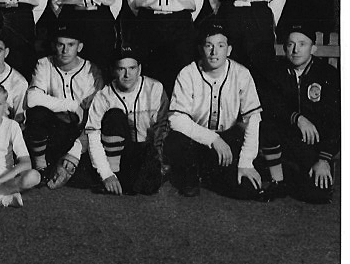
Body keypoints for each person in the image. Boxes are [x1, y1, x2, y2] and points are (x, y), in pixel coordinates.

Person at [163, 23, 262, 199]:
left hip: (227, 137)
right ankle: (192, 176)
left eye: (220, 46)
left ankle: (212, 174)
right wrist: (213, 139)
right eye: (209, 45)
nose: (214, 52)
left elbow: (253, 118)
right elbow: (176, 119)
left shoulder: (241, 73)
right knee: (176, 139)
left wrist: (246, 162)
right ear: (201, 48)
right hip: (196, 140)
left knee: (245, 189)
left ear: (229, 49)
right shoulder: (188, 73)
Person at [58, 46, 168, 194]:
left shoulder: (155, 88)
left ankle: (126, 179)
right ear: (113, 70)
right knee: (114, 115)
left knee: (146, 187)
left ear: (139, 69)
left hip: (144, 151)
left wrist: (158, 162)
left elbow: (162, 129)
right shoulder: (103, 95)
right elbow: (92, 137)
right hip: (115, 154)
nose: (127, 74)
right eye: (121, 69)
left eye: (132, 68)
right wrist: (107, 174)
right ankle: (115, 175)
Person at [257, 25, 339, 204]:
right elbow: (270, 105)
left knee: (318, 195)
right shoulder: (275, 72)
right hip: (286, 136)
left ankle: (293, 171)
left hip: (314, 143)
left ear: (313, 48)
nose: (295, 50)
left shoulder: (329, 74)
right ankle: (277, 180)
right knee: (266, 124)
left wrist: (324, 158)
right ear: (285, 48)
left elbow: (337, 120)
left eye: (302, 44)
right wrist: (298, 118)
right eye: (290, 44)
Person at [24, 24, 103, 181]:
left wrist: (77, 148)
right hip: (53, 130)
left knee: (83, 179)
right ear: (54, 45)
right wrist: (73, 105)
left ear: (79, 47)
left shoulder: (90, 70)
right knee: (37, 113)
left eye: (71, 45)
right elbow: (32, 99)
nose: (65, 50)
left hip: (79, 133)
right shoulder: (44, 63)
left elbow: (95, 113)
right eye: (60, 44)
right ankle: (41, 166)